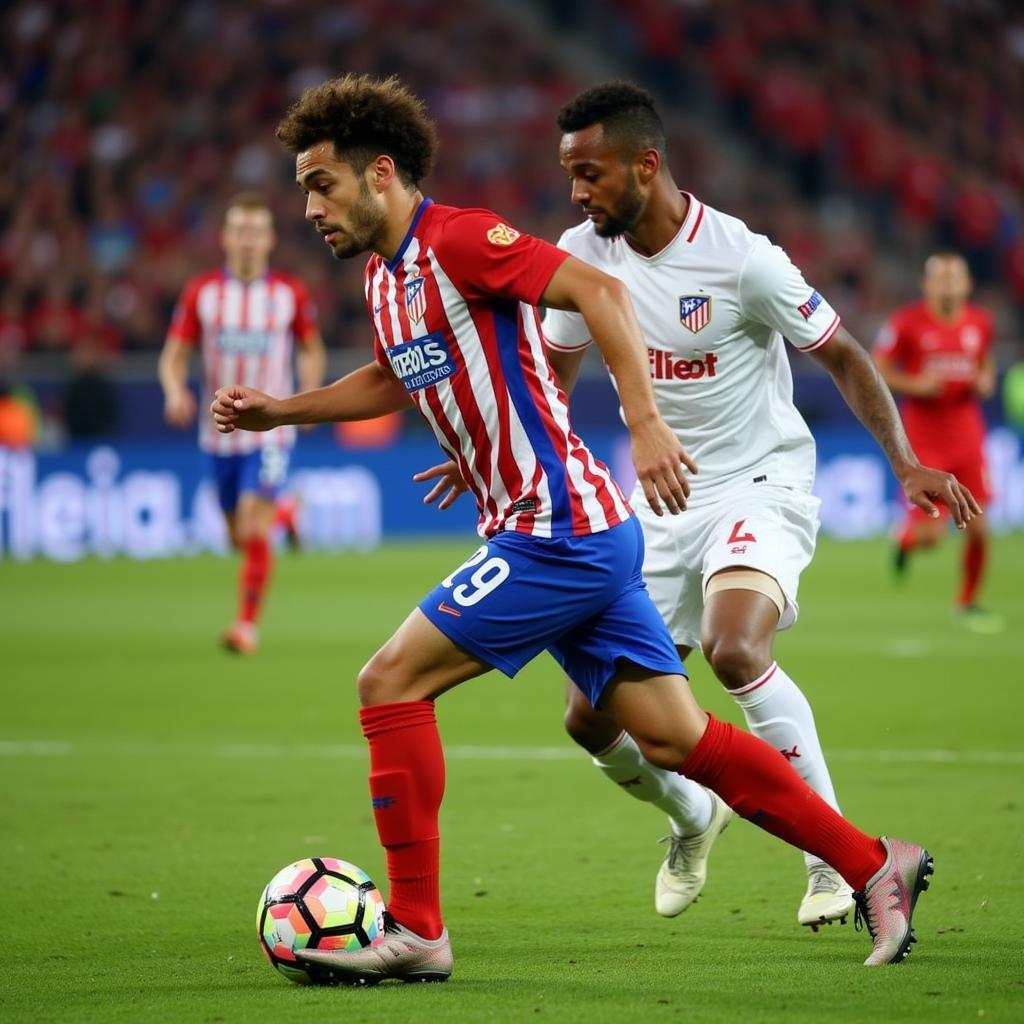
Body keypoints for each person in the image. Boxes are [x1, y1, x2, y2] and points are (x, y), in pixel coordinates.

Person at [213, 73, 936, 982]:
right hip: (575, 530)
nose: (309, 207)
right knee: (678, 740)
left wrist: (640, 416)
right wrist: (284, 412)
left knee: (388, 683)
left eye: (321, 184)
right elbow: (397, 376)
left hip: (555, 530)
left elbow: (597, 290)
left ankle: (419, 930)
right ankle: (877, 862)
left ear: (380, 173)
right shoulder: (383, 278)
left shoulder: (462, 239)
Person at [420, 82, 978, 932]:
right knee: (587, 714)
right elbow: (553, 381)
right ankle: (690, 817)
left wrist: (906, 465)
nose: (577, 192)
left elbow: (846, 355)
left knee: (733, 645)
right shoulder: (582, 253)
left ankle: (836, 864)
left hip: (761, 482)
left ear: (647, 164)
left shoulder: (743, 258)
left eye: (592, 172)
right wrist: (491, 448)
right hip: (660, 500)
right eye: (569, 173)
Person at [159, 192, 326, 654]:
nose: (248, 241)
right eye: (240, 231)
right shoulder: (203, 294)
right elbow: (174, 354)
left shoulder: (289, 293)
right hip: (218, 433)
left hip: (272, 430)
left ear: (270, 240)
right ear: (226, 238)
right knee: (238, 536)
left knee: (253, 527)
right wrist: (175, 392)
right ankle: (289, 513)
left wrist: (304, 399)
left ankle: (246, 627)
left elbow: (312, 349)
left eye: (256, 232)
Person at [874, 252, 1002, 633]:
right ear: (926, 284)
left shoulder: (980, 323)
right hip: (923, 437)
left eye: (954, 277)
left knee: (979, 527)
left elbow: (985, 362)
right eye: (940, 278)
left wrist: (985, 380)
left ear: (967, 285)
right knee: (932, 535)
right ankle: (905, 541)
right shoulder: (907, 323)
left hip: (967, 434)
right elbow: (877, 367)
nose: (948, 284)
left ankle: (968, 603)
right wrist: (916, 384)